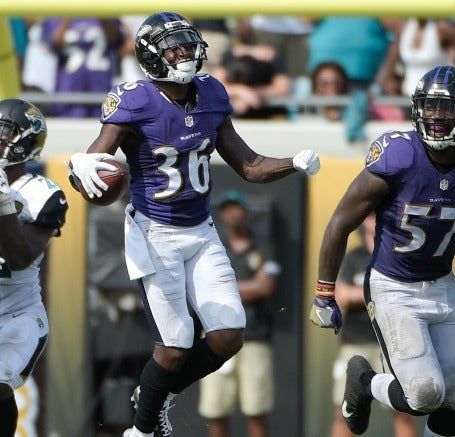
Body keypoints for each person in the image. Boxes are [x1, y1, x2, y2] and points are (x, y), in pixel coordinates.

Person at [65, 12, 321, 437]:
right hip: (154, 232)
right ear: (151, 56)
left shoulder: (213, 93)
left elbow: (251, 166)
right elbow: (96, 166)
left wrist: (291, 163)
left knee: (228, 336)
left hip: (201, 232)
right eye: (174, 46)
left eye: (188, 43)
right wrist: (78, 166)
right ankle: (143, 429)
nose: (185, 52)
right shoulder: (134, 100)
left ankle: (153, 396)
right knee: (175, 346)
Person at [309, 65, 455, 437]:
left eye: (444, 108)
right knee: (425, 394)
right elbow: (339, 223)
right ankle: (365, 382)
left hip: (443, 284)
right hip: (393, 285)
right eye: (429, 106)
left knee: (454, 403)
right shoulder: (398, 155)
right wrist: (324, 294)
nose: (435, 116)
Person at [0, 99, 68, 437]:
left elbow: (19, 255)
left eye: (2, 133)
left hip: (16, 315)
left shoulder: (42, 193)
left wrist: (1, 200)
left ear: (25, 140)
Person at [197, 191, 280, 437]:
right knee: (216, 412)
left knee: (257, 411)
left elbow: (266, 286)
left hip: (254, 339)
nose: (232, 213)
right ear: (222, 214)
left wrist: (224, 288)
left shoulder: (264, 247)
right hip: (215, 338)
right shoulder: (212, 246)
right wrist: (248, 286)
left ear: (246, 212)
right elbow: (202, 286)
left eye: (237, 208)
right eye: (227, 209)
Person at [330, 213, 418, 437]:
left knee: (403, 410)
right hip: (354, 344)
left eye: (377, 216)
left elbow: (409, 294)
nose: (373, 221)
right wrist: (382, 292)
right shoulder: (353, 257)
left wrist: (359, 293)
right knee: (344, 410)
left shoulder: (398, 255)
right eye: (368, 217)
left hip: (392, 345)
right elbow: (341, 296)